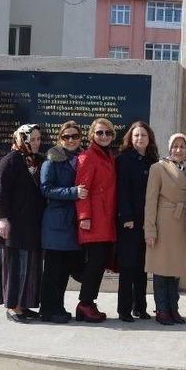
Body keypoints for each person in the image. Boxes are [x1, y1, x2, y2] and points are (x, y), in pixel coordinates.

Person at [0, 124, 44, 323]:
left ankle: (23, 305)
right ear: (21, 139)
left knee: (29, 265)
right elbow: (1, 192)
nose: (36, 143)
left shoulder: (35, 161)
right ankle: (13, 307)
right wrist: (2, 219)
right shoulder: (10, 161)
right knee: (14, 266)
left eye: (39, 139)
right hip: (13, 226)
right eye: (32, 139)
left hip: (31, 225)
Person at [39, 121, 88, 324]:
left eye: (74, 136)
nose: (71, 140)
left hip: (72, 224)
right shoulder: (52, 159)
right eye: (66, 137)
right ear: (60, 138)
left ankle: (58, 307)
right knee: (53, 271)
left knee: (64, 271)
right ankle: (49, 310)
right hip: (56, 224)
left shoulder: (82, 158)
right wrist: (73, 192)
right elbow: (46, 188)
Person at [145, 133, 186, 325]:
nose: (178, 150)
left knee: (175, 270)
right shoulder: (158, 168)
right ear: (169, 148)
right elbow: (150, 201)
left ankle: (173, 308)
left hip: (182, 224)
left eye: (182, 146)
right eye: (175, 146)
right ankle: (162, 310)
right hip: (164, 223)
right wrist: (150, 230)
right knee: (161, 269)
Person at [115, 121, 160, 322]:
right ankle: (124, 309)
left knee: (142, 267)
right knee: (128, 266)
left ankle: (140, 307)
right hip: (130, 222)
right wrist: (127, 218)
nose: (139, 139)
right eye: (136, 135)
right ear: (130, 139)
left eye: (143, 135)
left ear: (149, 138)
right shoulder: (124, 160)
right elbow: (122, 191)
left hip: (147, 221)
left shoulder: (153, 161)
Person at [75, 118, 117, 323]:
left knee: (99, 263)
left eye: (108, 133)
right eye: (100, 133)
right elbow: (83, 191)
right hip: (94, 219)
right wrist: (85, 217)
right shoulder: (88, 157)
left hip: (106, 218)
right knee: (95, 263)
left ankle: (88, 303)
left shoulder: (108, 156)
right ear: (92, 134)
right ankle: (85, 303)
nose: (104, 136)